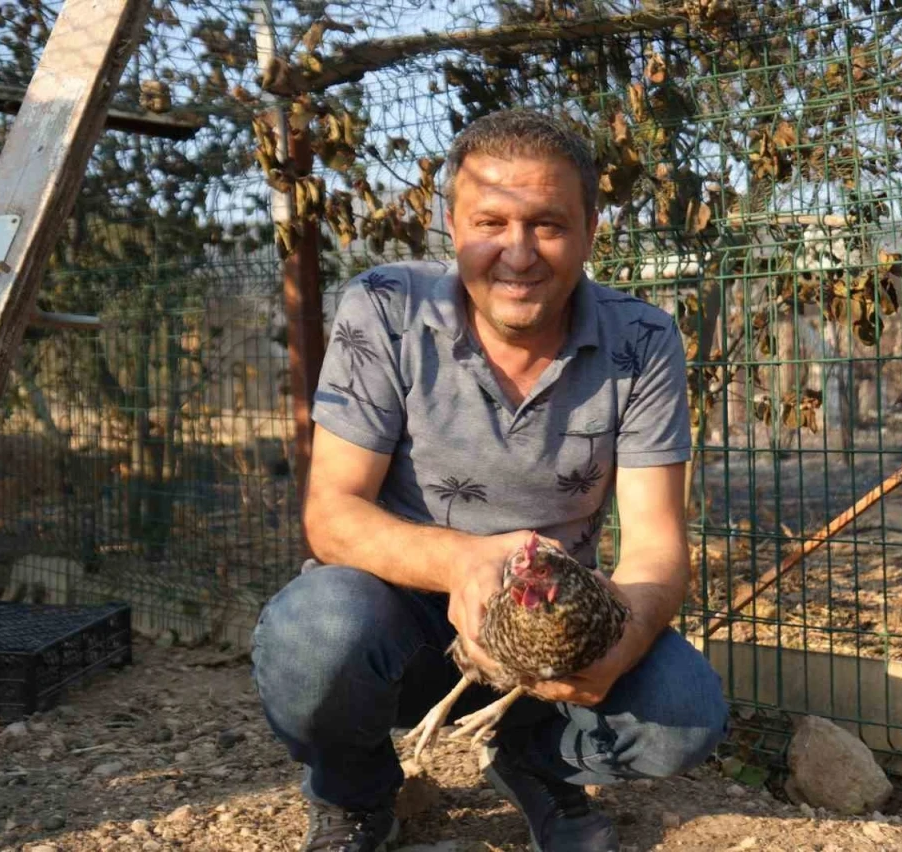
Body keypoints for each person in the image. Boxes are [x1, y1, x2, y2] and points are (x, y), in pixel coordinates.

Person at [251, 109, 730, 852]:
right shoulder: (386, 309)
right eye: (490, 223)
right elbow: (333, 516)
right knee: (314, 633)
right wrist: (464, 562)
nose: (518, 253)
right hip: (402, 615)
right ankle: (355, 795)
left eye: (548, 225)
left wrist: (623, 641)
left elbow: (657, 547)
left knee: (685, 711)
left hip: (553, 618)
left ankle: (533, 760)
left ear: (591, 230)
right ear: (451, 225)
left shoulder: (641, 339)